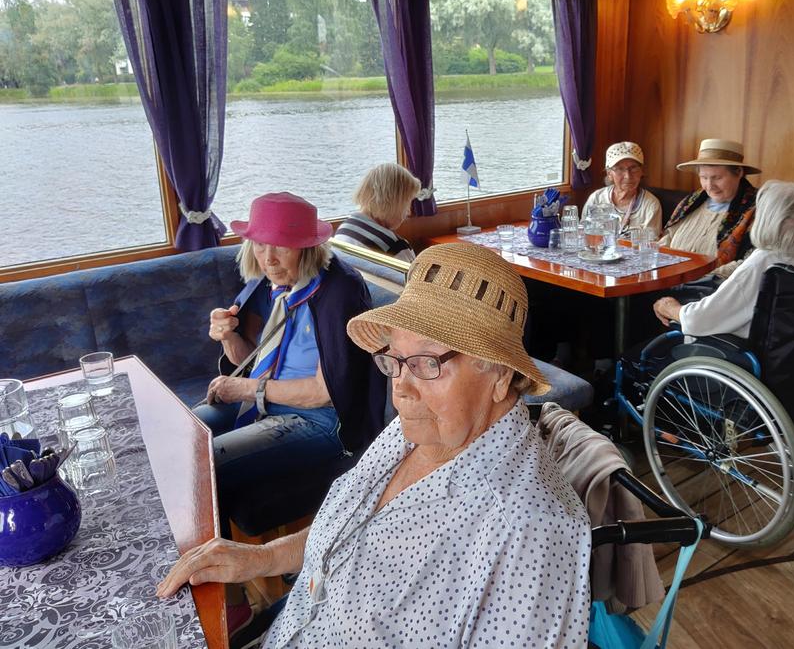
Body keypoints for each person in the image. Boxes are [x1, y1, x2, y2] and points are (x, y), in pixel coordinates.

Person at [159, 243, 593, 649]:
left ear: (499, 375)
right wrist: (262, 557)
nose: (400, 388)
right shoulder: (418, 427)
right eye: (394, 360)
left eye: (427, 362)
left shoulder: (532, 532)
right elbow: (351, 528)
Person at [198, 192, 385, 533]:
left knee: (204, 468)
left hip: (320, 421)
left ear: (307, 247)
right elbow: (249, 360)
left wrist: (247, 389)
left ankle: (217, 564)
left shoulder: (340, 291)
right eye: (259, 245)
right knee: (186, 433)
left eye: (281, 247)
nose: (268, 259)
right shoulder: (267, 282)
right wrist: (227, 336)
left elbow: (323, 394)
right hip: (265, 399)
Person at [653, 180, 794, 338]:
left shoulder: (764, 262)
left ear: (767, 220)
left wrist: (669, 308)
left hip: (743, 350)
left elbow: (699, 320)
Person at [659, 138, 760, 281]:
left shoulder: (757, 210)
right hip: (668, 280)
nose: (709, 186)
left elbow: (751, 263)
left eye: (717, 178)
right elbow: (667, 239)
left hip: (713, 289)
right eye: (703, 177)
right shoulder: (691, 202)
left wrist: (700, 279)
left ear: (738, 173)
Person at [334, 162, 420, 261]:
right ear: (393, 203)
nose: (408, 212)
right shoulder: (395, 247)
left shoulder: (344, 229)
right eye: (407, 203)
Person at [582, 141, 662, 235]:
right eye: (620, 169)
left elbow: (651, 241)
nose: (628, 176)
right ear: (609, 174)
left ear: (641, 172)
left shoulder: (650, 204)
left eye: (633, 168)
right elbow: (584, 233)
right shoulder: (596, 198)